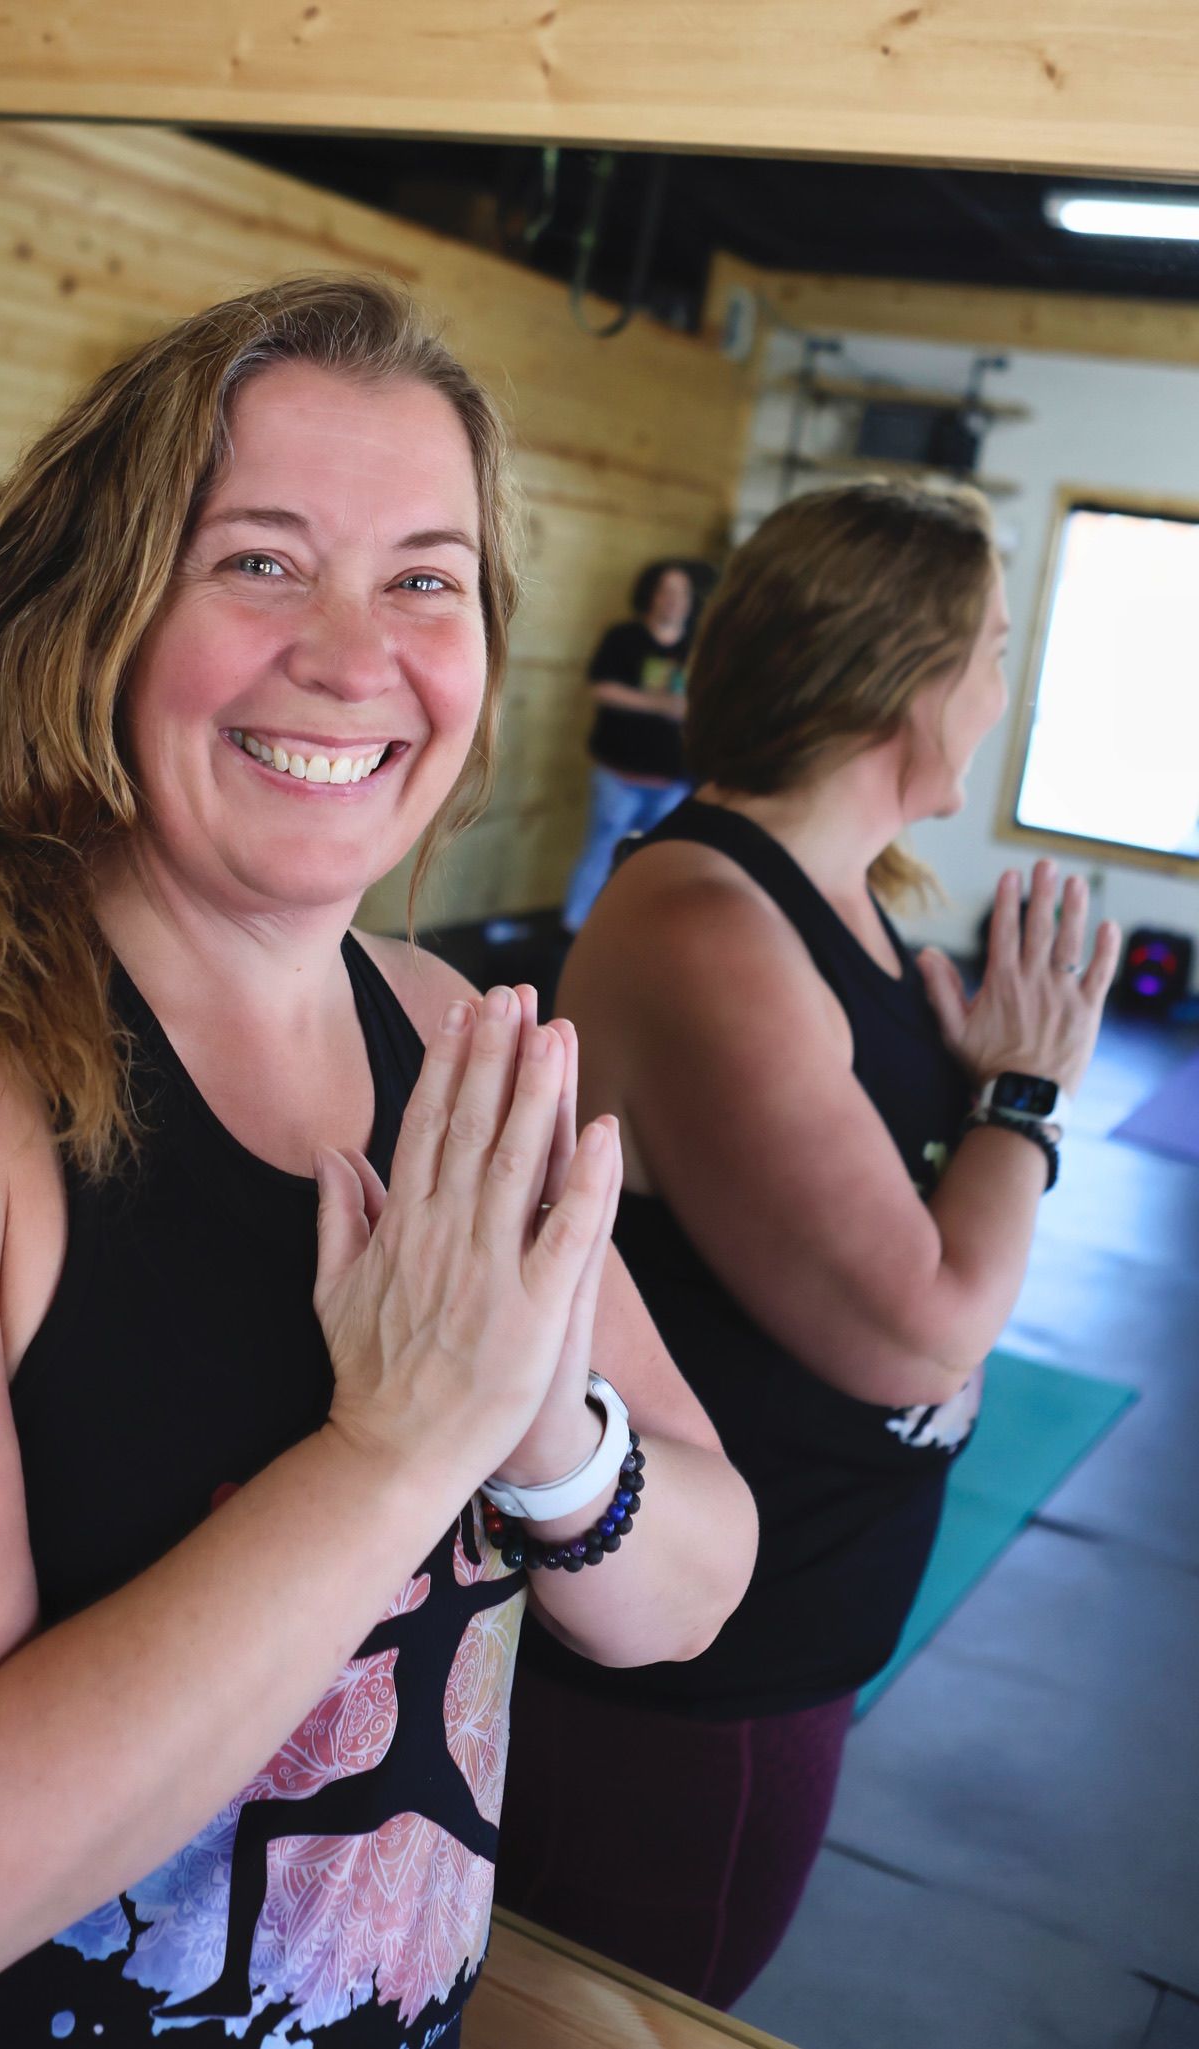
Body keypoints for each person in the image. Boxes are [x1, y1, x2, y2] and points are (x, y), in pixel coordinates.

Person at [0, 276, 755, 2048]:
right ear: (99, 610)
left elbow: (693, 1583)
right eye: (260, 560)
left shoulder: (438, 1032)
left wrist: (547, 1436)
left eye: (426, 578)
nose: (355, 655)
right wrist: (400, 1448)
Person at [495, 482, 1121, 2010]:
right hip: (691, 1682)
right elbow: (921, 1330)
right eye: (991, 649)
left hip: (792, 1629)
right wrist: (1027, 1099)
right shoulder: (711, 919)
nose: (1002, 688)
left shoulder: (856, 902)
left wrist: (971, 1097)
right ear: (910, 680)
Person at [561, 557, 705, 932]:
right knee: (602, 853)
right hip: (619, 774)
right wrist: (661, 705)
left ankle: (629, 934)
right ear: (650, 595)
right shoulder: (624, 637)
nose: (674, 600)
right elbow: (602, 688)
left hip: (675, 780)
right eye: (666, 591)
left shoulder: (699, 646)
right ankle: (572, 933)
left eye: (682, 593)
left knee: (654, 864)